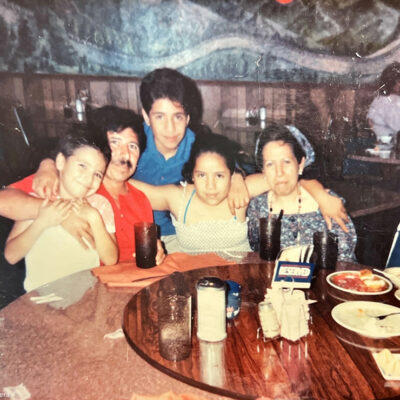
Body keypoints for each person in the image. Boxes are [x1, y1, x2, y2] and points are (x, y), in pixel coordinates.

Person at [1, 108, 165, 265]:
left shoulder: (139, 199)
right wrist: (62, 214)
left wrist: (156, 251)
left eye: (133, 146)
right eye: (115, 142)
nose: (125, 154)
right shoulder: (71, 185)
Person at [4, 135, 118, 291]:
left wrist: (94, 218)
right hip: (41, 298)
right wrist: (41, 223)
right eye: (82, 166)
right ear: (61, 162)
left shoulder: (100, 205)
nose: (89, 178)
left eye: (97, 174)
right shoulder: (40, 200)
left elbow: (111, 259)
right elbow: (11, 256)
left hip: (86, 296)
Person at [247, 123, 357, 260]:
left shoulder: (328, 203)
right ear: (263, 170)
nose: (279, 172)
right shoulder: (257, 207)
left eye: (286, 162)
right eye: (270, 164)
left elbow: (346, 261)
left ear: (300, 164)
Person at [130, 132, 251, 253]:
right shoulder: (178, 197)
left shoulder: (239, 189)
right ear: (192, 175)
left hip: (241, 270)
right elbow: (126, 187)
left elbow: (269, 178)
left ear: (230, 173)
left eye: (219, 175)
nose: (210, 186)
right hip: (192, 271)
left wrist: (238, 176)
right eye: (201, 175)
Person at [367, 62, 400, 143]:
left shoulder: (378, 99)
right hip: (389, 146)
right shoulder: (394, 100)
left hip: (380, 144)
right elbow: (398, 125)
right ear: (392, 82)